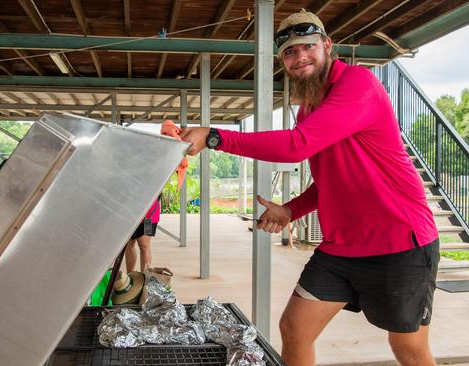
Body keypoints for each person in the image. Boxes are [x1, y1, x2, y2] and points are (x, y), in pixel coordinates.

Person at [180, 9, 439, 366]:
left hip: (399, 242)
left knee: (408, 347)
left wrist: (215, 136)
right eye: (289, 51)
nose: (299, 56)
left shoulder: (358, 84)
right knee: (295, 328)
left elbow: (296, 146)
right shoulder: (309, 110)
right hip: (342, 248)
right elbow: (329, 179)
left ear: (326, 46)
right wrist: (290, 210)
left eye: (307, 46)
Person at [125, 195, 161, 273]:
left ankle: (144, 278)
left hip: (149, 215)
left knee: (144, 246)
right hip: (130, 212)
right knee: (129, 244)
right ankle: (130, 276)